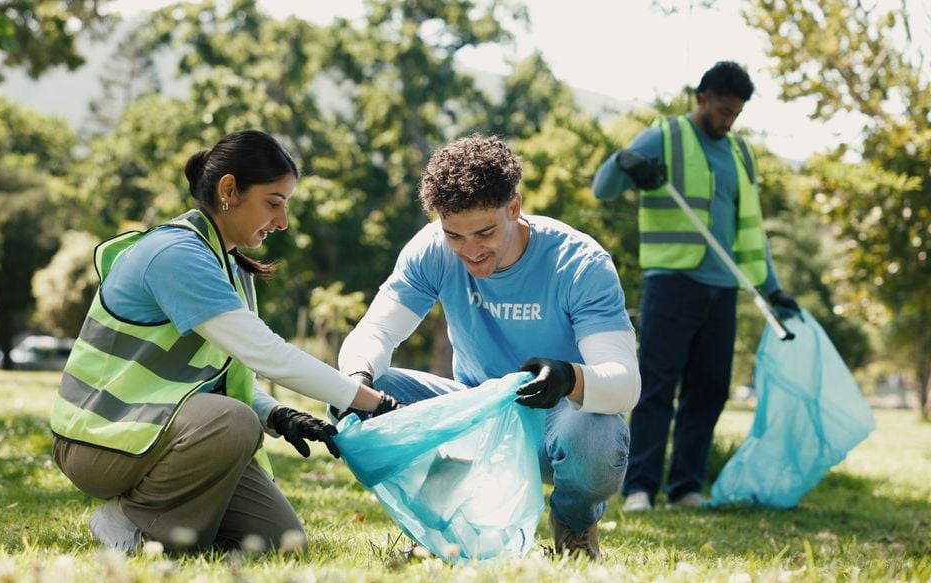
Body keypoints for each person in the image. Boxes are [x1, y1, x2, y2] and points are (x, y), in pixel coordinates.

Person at [50, 129, 400, 555]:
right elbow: (268, 354)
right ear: (229, 190)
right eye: (273, 203)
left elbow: (224, 373)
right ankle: (127, 521)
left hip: (153, 432)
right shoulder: (175, 254)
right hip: (101, 441)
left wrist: (278, 415)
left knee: (280, 545)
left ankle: (167, 528)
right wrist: (372, 403)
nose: (282, 222)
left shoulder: (228, 266)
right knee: (233, 421)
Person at [337, 134, 641, 558]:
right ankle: (445, 524)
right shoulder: (431, 250)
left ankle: (573, 525)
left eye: (484, 232)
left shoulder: (579, 263)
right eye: (454, 236)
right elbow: (376, 333)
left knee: (598, 432)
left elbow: (625, 383)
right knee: (355, 391)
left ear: (513, 208)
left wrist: (569, 376)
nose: (471, 251)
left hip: (556, 423)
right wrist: (356, 380)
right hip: (472, 413)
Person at [591, 61, 801, 512]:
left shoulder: (741, 154)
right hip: (672, 282)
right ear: (701, 98)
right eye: (723, 110)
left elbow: (752, 230)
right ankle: (640, 488)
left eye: (736, 114)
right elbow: (602, 188)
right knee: (657, 385)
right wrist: (624, 160)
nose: (728, 122)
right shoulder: (664, 137)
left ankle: (685, 487)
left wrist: (773, 288)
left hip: (724, 287)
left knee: (709, 389)